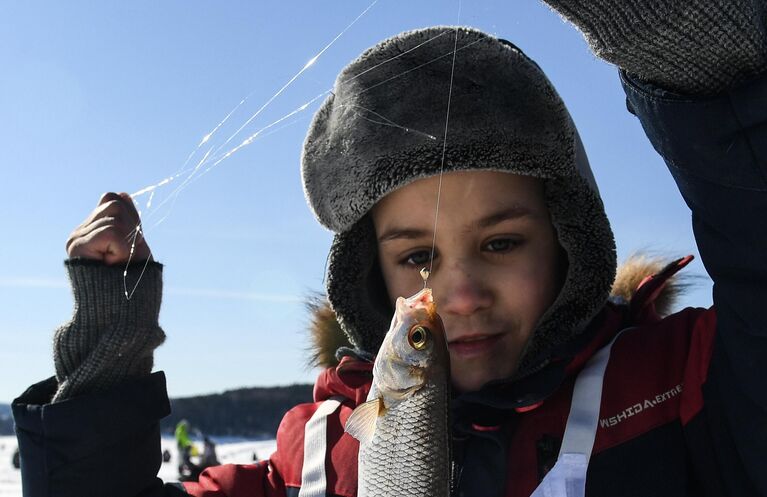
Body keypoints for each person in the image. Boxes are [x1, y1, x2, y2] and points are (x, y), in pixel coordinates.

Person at [11, 2, 767, 497]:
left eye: (500, 241)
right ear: (366, 271)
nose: (460, 294)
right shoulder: (308, 456)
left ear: (568, 240)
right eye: (417, 256)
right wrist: (107, 361)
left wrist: (709, 70)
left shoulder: (687, 389)